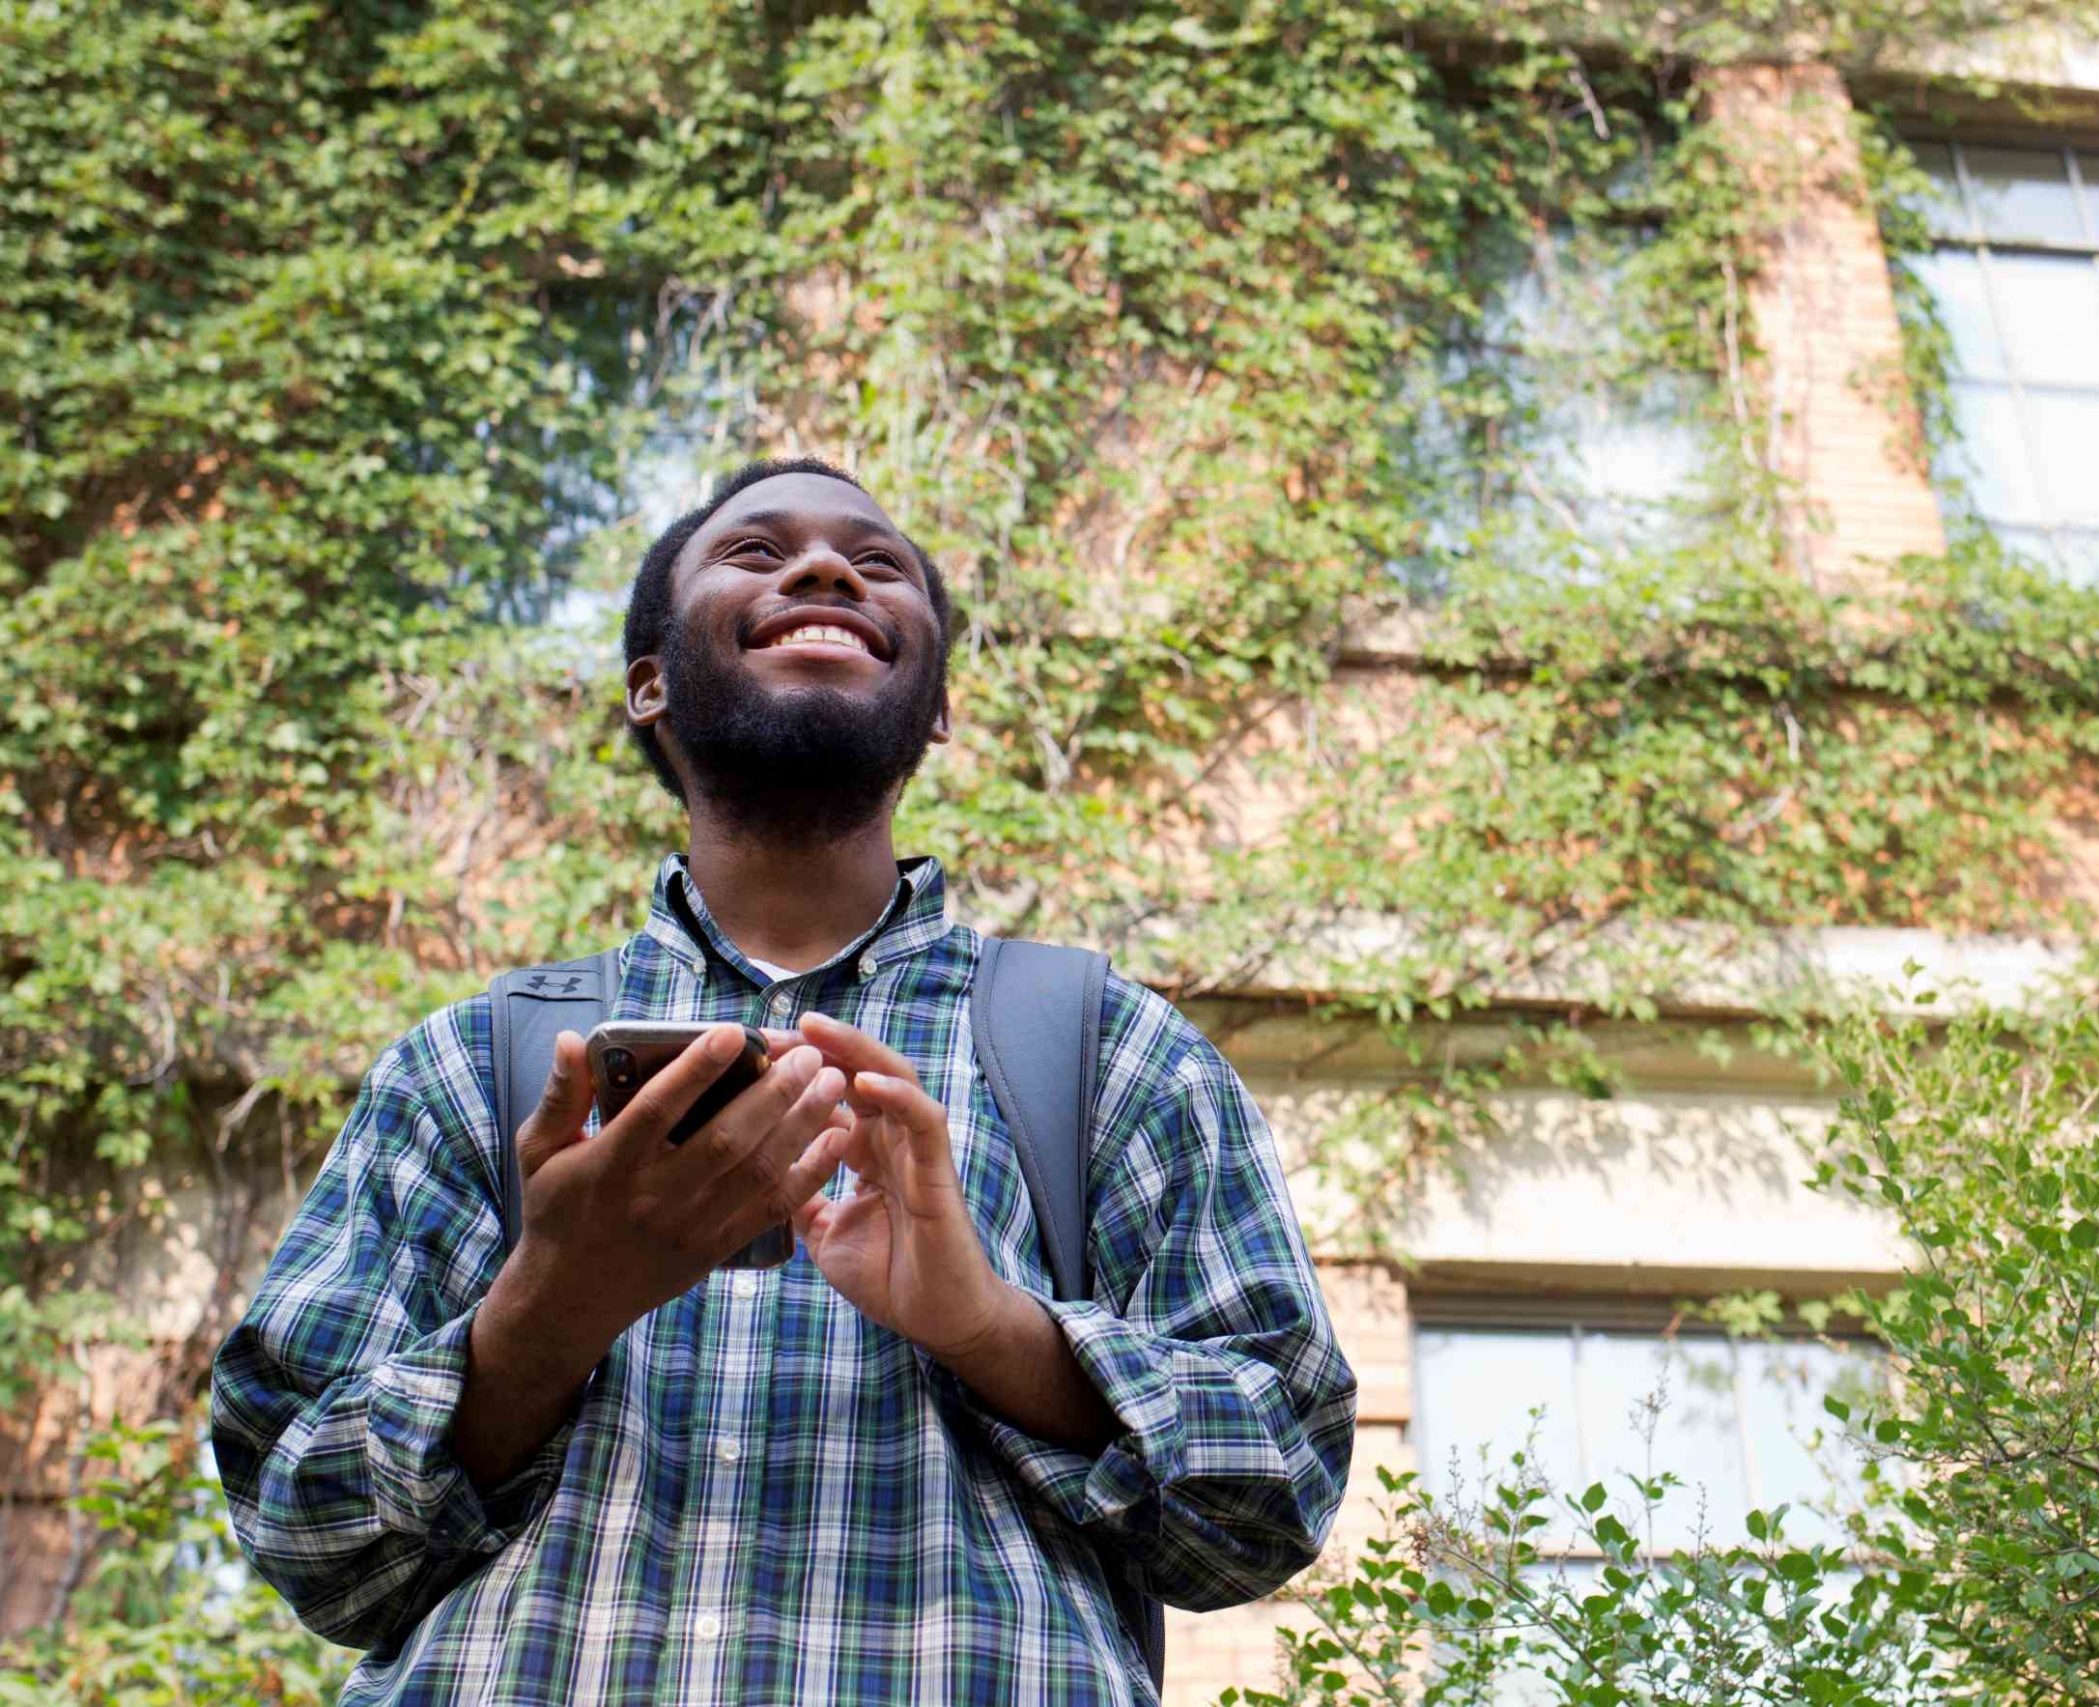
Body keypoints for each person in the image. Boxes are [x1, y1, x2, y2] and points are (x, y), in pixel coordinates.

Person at [210, 458, 1358, 1705]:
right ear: (649, 683)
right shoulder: (464, 1068)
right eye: (756, 554)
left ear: (936, 712)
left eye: (879, 567)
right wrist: (551, 1305)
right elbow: (304, 1532)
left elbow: (1275, 1488)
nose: (824, 570)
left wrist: (990, 1327)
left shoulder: (1112, 1056)